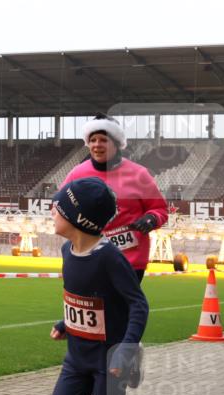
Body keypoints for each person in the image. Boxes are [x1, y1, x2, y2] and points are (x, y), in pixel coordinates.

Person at [46, 176, 148, 395]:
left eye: (59, 206)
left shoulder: (109, 259)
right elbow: (84, 300)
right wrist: (65, 323)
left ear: (78, 217)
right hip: (77, 358)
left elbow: (138, 305)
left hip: (112, 361)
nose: (52, 210)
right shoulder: (66, 252)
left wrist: (127, 349)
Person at [61, 114, 169, 282]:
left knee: (122, 308)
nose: (97, 145)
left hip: (129, 262)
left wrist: (151, 219)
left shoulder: (139, 174)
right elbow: (59, 207)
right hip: (88, 257)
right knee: (91, 307)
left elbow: (160, 209)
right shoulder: (77, 174)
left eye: (103, 140)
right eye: (93, 140)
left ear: (117, 143)